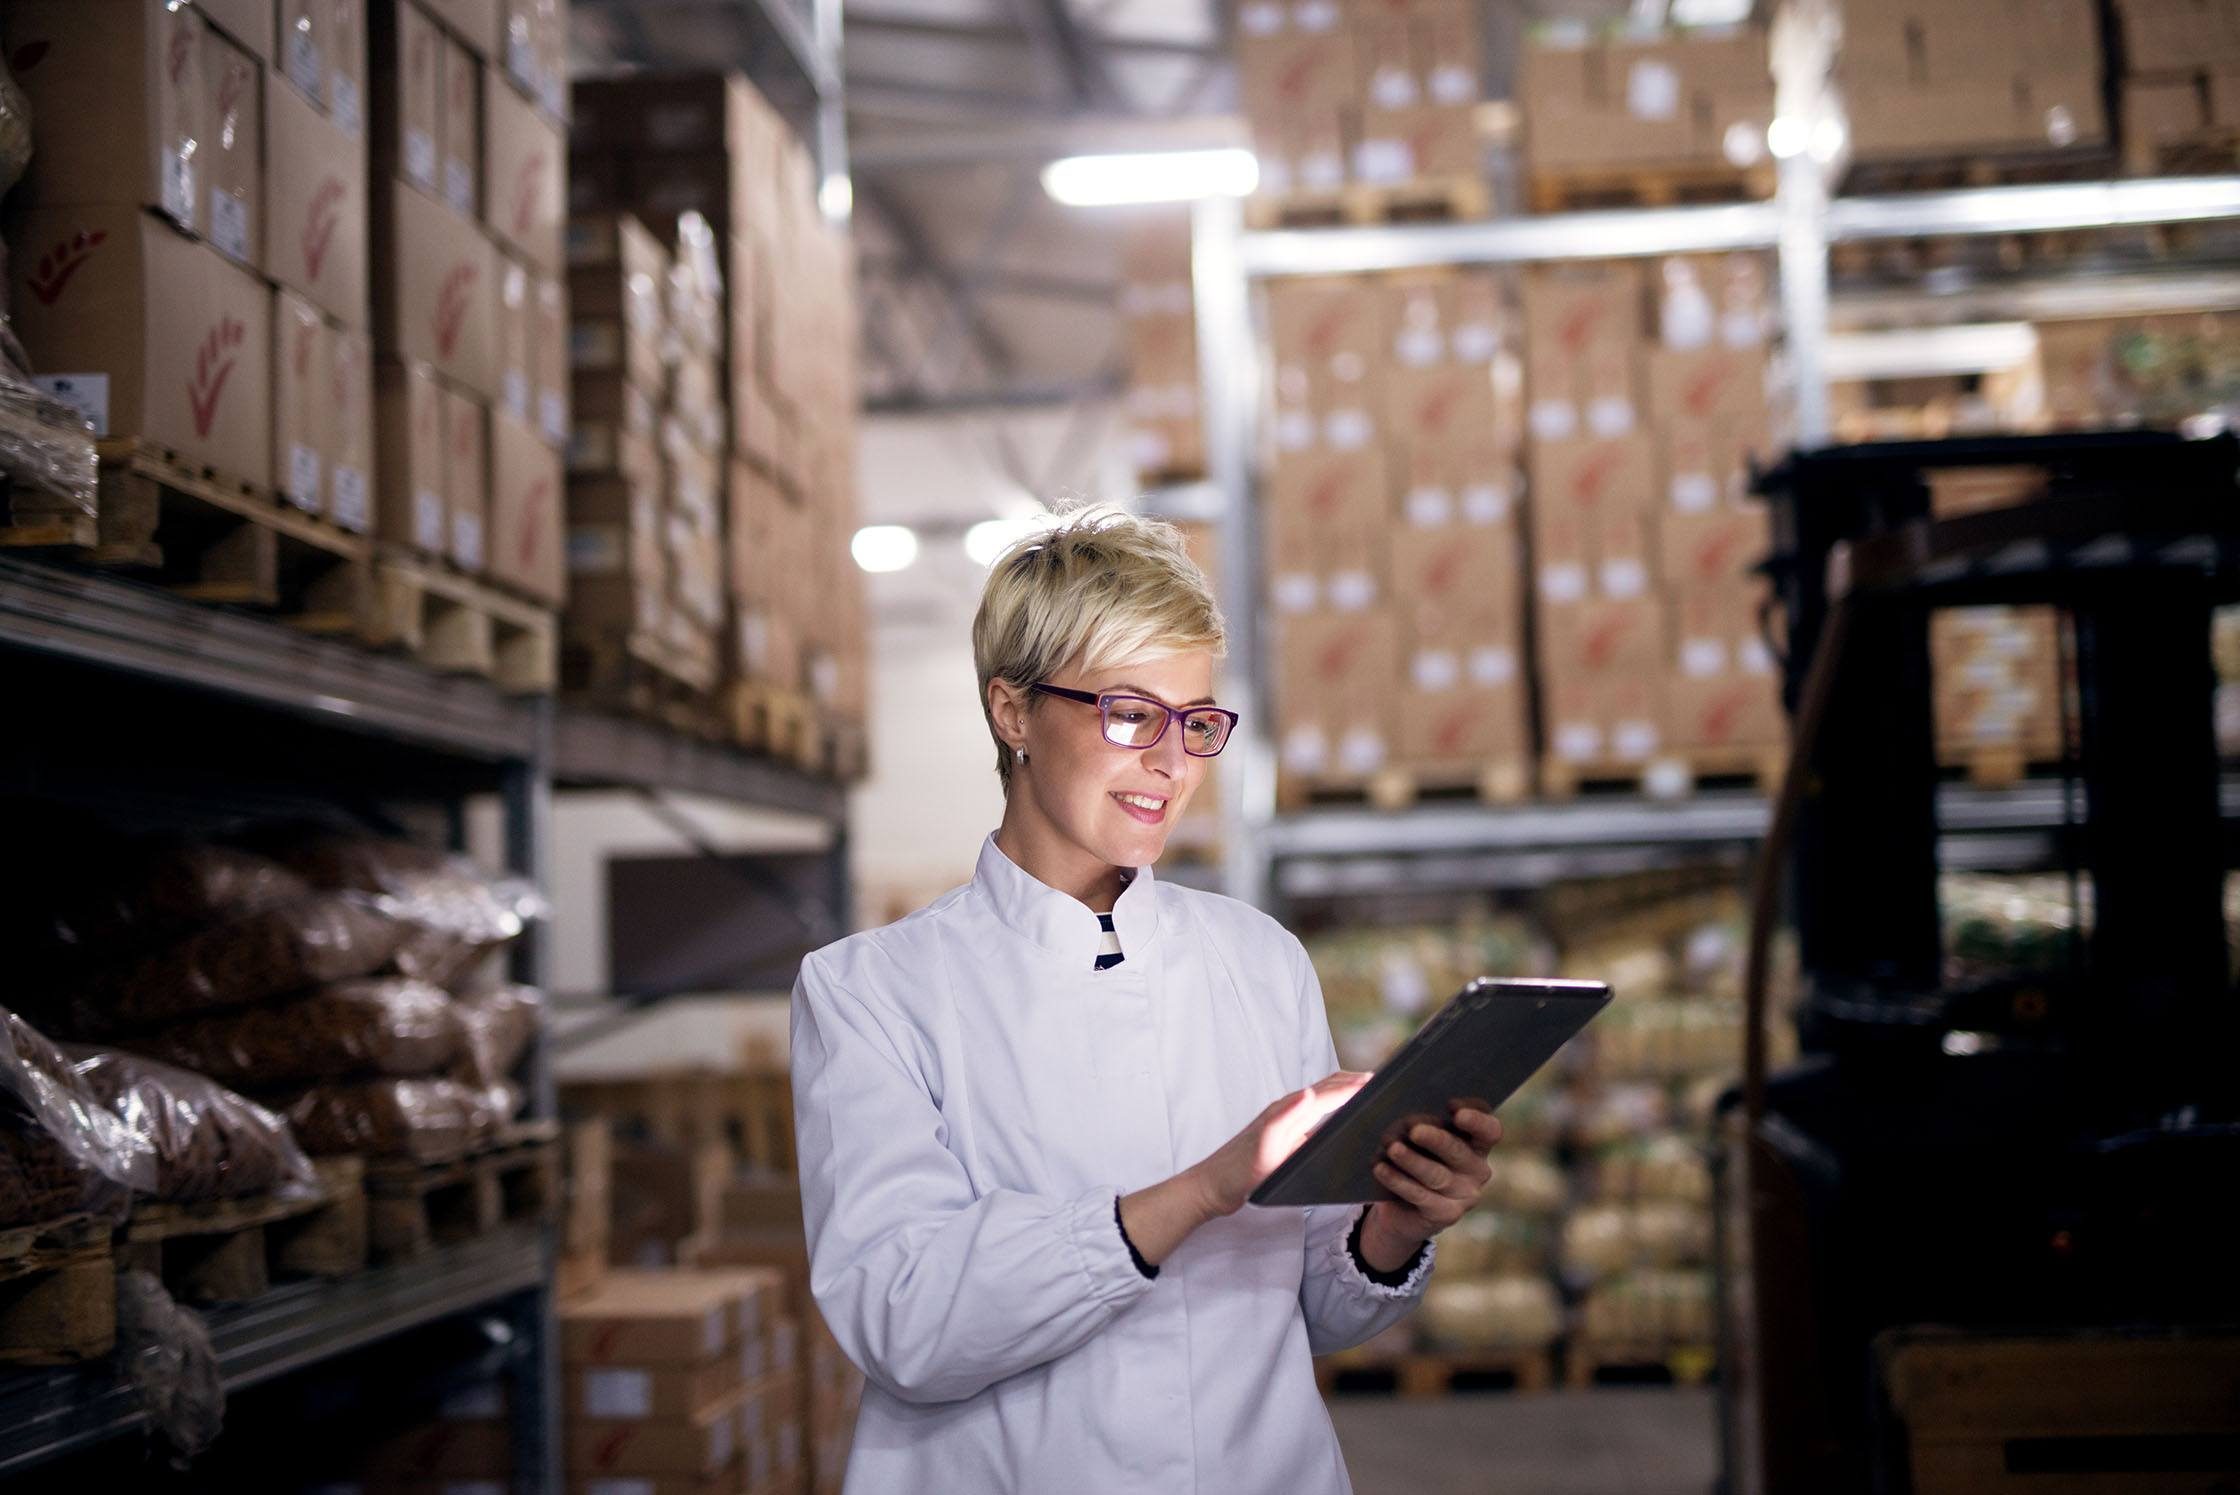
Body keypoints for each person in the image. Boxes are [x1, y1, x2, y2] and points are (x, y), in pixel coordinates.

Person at [791, 507, 1504, 1492]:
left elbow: (1318, 1307)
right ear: (1011, 713)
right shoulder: (872, 992)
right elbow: (904, 1319)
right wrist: (1200, 1192)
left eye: (1197, 721)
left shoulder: (1258, 959)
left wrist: (1392, 1227)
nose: (1171, 763)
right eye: (1129, 714)